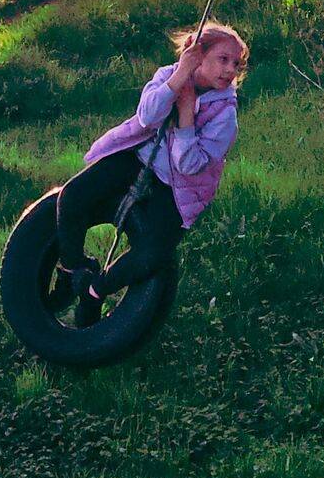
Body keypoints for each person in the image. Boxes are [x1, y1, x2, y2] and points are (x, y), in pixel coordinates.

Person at [53, 23, 247, 328]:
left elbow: (188, 165)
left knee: (154, 253)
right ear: (197, 55)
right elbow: (147, 116)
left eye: (236, 63)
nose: (230, 70)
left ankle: (95, 291)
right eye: (223, 59)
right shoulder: (167, 74)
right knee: (72, 196)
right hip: (138, 158)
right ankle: (71, 271)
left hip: (178, 186)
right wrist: (178, 80)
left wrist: (186, 113)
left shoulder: (225, 115)